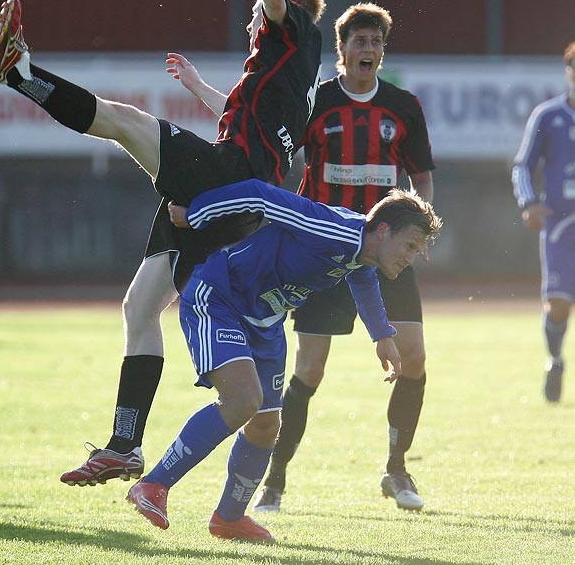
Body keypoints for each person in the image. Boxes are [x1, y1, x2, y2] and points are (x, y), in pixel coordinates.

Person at [0, 0, 324, 485]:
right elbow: (251, 126)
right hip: (235, 191)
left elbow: (272, 1)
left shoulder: (289, 33)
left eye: (257, 19)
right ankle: (125, 444)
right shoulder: (288, 77)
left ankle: (20, 72)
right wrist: (198, 90)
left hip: (228, 179)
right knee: (141, 306)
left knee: (124, 122)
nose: (251, 23)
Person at [126, 178, 442, 541]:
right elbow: (260, 194)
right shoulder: (328, 225)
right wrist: (196, 214)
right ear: (383, 230)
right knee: (243, 400)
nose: (411, 257)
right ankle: (153, 485)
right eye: (411, 245)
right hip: (220, 299)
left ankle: (228, 519)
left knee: (265, 425)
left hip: (266, 321)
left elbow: (363, 276)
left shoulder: (362, 251)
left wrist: (382, 334)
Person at [251, 3, 436, 513]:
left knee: (414, 359)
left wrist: (415, 235)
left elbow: (421, 176)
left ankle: (397, 470)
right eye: (360, 41)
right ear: (343, 49)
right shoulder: (318, 102)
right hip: (325, 253)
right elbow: (280, 157)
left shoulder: (403, 106)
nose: (369, 50)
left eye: (376, 42)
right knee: (310, 369)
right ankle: (275, 479)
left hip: (385, 255)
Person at [512, 41, 575, 402]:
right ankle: (555, 359)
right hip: (560, 223)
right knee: (559, 302)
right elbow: (524, 164)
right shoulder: (548, 116)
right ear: (569, 72)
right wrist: (529, 202)